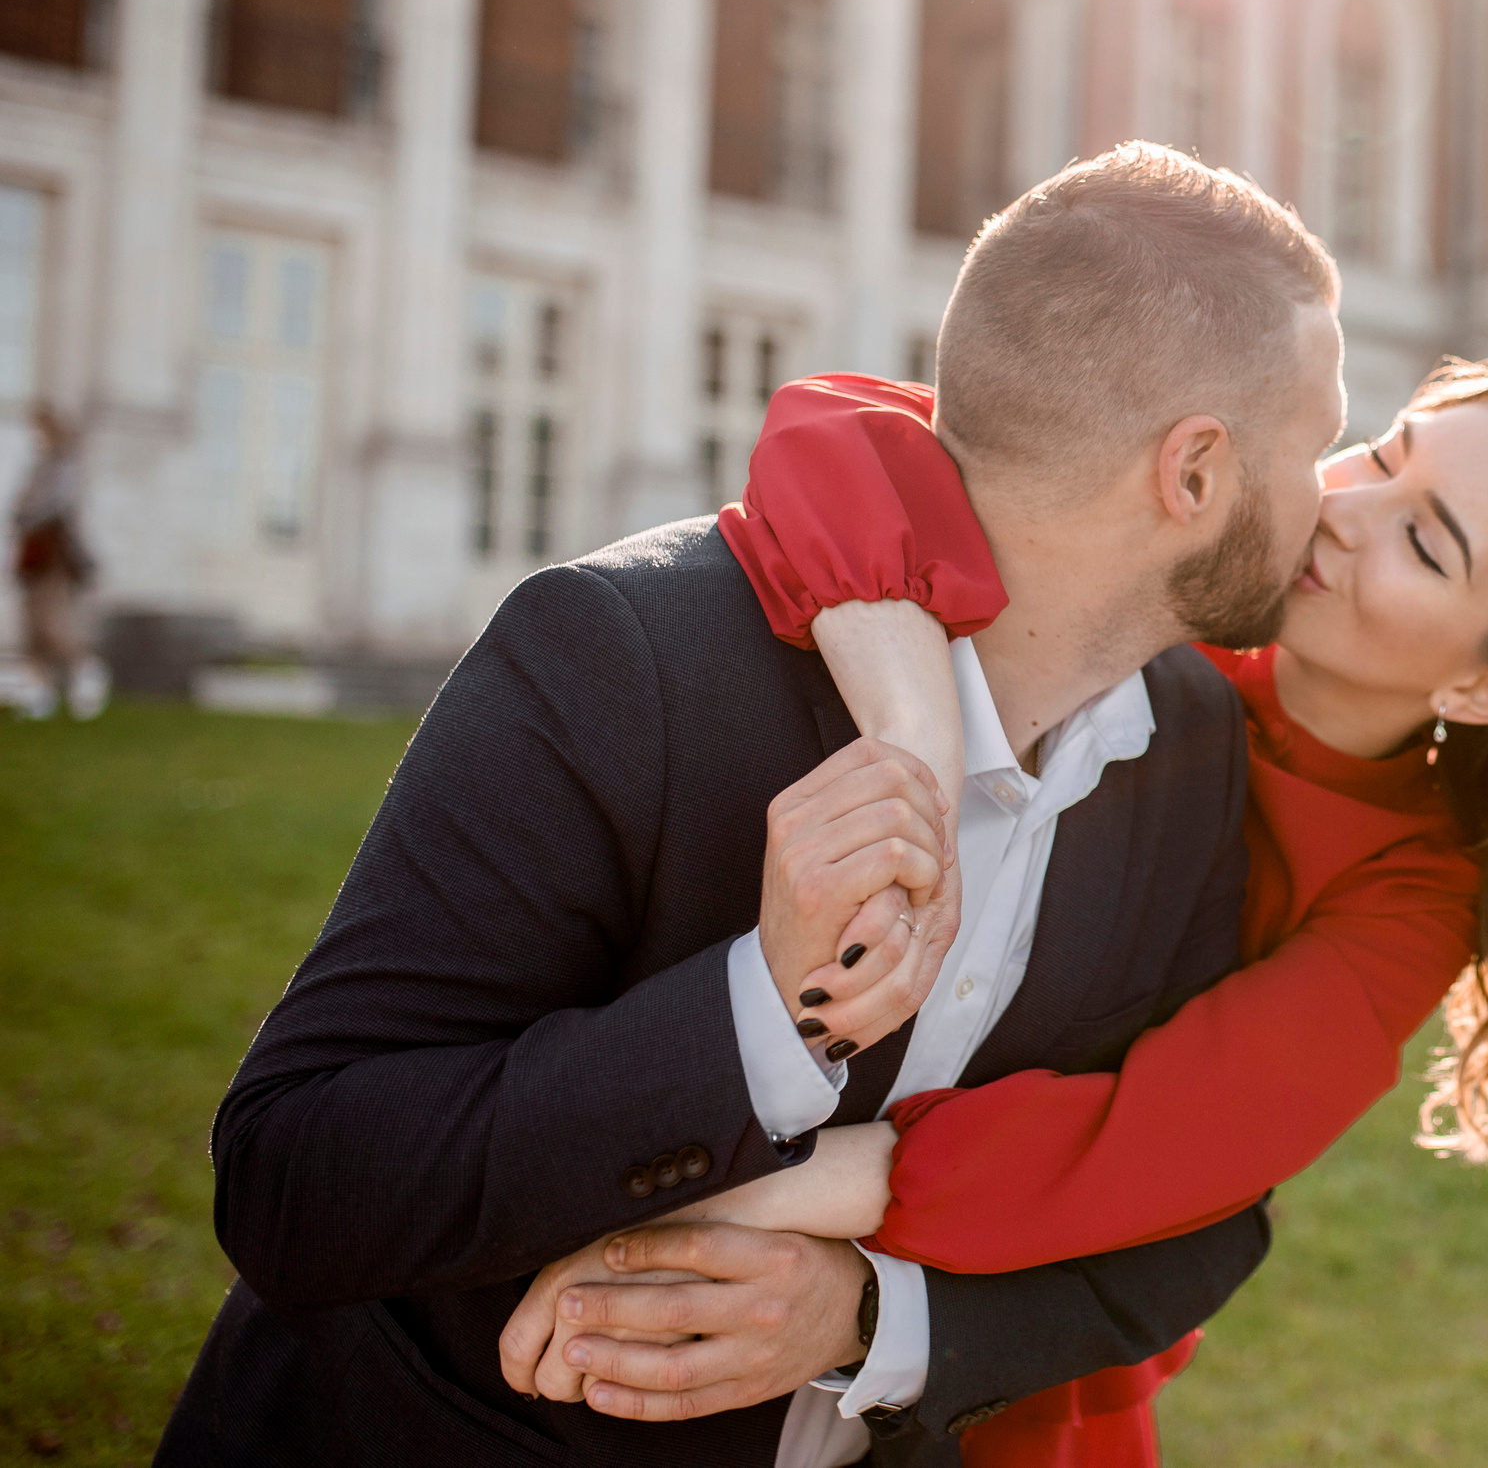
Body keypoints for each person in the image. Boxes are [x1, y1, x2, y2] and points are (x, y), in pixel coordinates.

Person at [158, 145, 1351, 1468]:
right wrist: (760, 1002)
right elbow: (294, 1176)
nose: (1334, 493)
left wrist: (873, 1316)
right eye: (1319, 442)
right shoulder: (620, 655)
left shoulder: (1192, 746)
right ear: (1192, 474)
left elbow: (1198, 1221)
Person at [503, 331, 1488, 1465]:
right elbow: (838, 430)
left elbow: (1132, 1151)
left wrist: (760, 1191)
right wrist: (910, 713)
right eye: (1389, 450)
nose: (1346, 506)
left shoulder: (1408, 897)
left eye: (1424, 538)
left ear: (1483, 687)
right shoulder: (1176, 585)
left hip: (1004, 1388)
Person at [12, 407, 108, 721]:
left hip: (52, 556)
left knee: (54, 626)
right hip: (32, 557)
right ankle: (40, 695)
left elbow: (53, 507)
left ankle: (86, 671)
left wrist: (25, 515)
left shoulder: (65, 466)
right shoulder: (41, 467)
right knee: (32, 630)